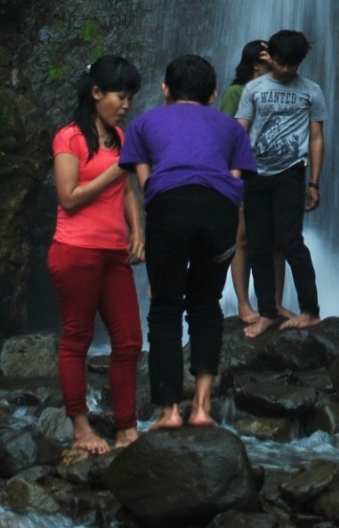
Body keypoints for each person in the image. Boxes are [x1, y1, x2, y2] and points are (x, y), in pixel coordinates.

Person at [119, 54, 256, 429]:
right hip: (218, 211)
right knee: (205, 304)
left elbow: (143, 178)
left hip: (169, 205)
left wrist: (160, 201)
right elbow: (235, 174)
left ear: (164, 90)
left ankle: (169, 411)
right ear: (214, 94)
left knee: (164, 305)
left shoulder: (144, 122)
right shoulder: (231, 128)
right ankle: (201, 408)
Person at [48, 55, 145, 457]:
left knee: (129, 341)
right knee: (77, 340)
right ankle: (81, 428)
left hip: (112, 254)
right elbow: (68, 198)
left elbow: (125, 191)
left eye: (130, 97)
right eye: (120, 96)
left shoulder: (121, 139)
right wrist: (114, 171)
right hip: (75, 251)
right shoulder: (68, 137)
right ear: (96, 93)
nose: (126, 104)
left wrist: (137, 231)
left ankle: (126, 429)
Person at [236, 29, 325, 339]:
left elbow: (315, 137)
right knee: (259, 244)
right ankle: (267, 312)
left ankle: (310, 311)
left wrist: (313, 182)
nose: (286, 69)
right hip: (255, 174)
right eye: (281, 62)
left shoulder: (311, 91)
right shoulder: (254, 89)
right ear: (269, 57)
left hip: (290, 172)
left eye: (293, 64)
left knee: (290, 241)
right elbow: (240, 129)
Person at [219, 40, 294, 325]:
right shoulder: (236, 92)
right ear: (255, 65)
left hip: (276, 172)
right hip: (245, 174)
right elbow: (228, 134)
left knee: (277, 239)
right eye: (268, 61)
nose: (275, 65)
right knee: (243, 238)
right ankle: (243, 304)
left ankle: (275, 303)